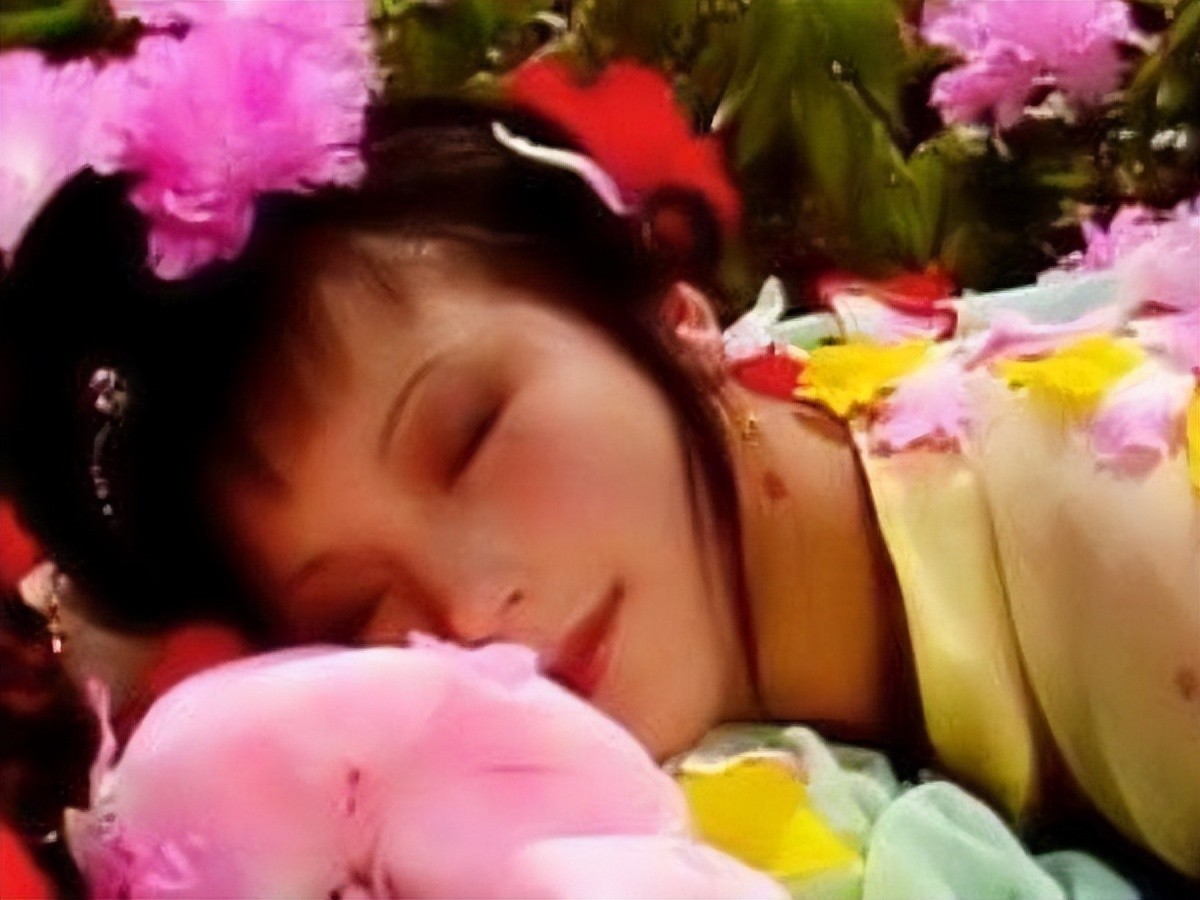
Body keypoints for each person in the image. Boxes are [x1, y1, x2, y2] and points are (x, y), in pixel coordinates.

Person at [2, 90, 1196, 892]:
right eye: (354, 609)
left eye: (471, 438)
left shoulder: (1148, 536)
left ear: (672, 316)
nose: (471, 608)